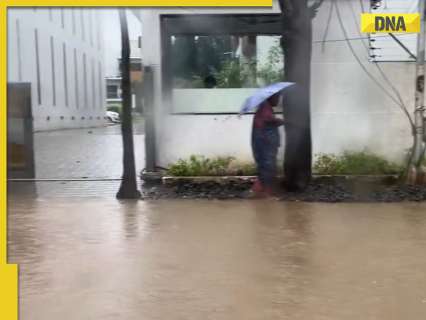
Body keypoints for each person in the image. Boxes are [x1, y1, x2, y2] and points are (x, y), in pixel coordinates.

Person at [251, 93, 284, 197]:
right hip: (264, 141)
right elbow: (268, 119)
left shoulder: (265, 106)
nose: (278, 101)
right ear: (271, 97)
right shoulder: (265, 106)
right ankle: (266, 192)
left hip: (264, 141)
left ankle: (259, 192)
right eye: (277, 97)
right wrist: (281, 121)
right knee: (267, 165)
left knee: (265, 166)